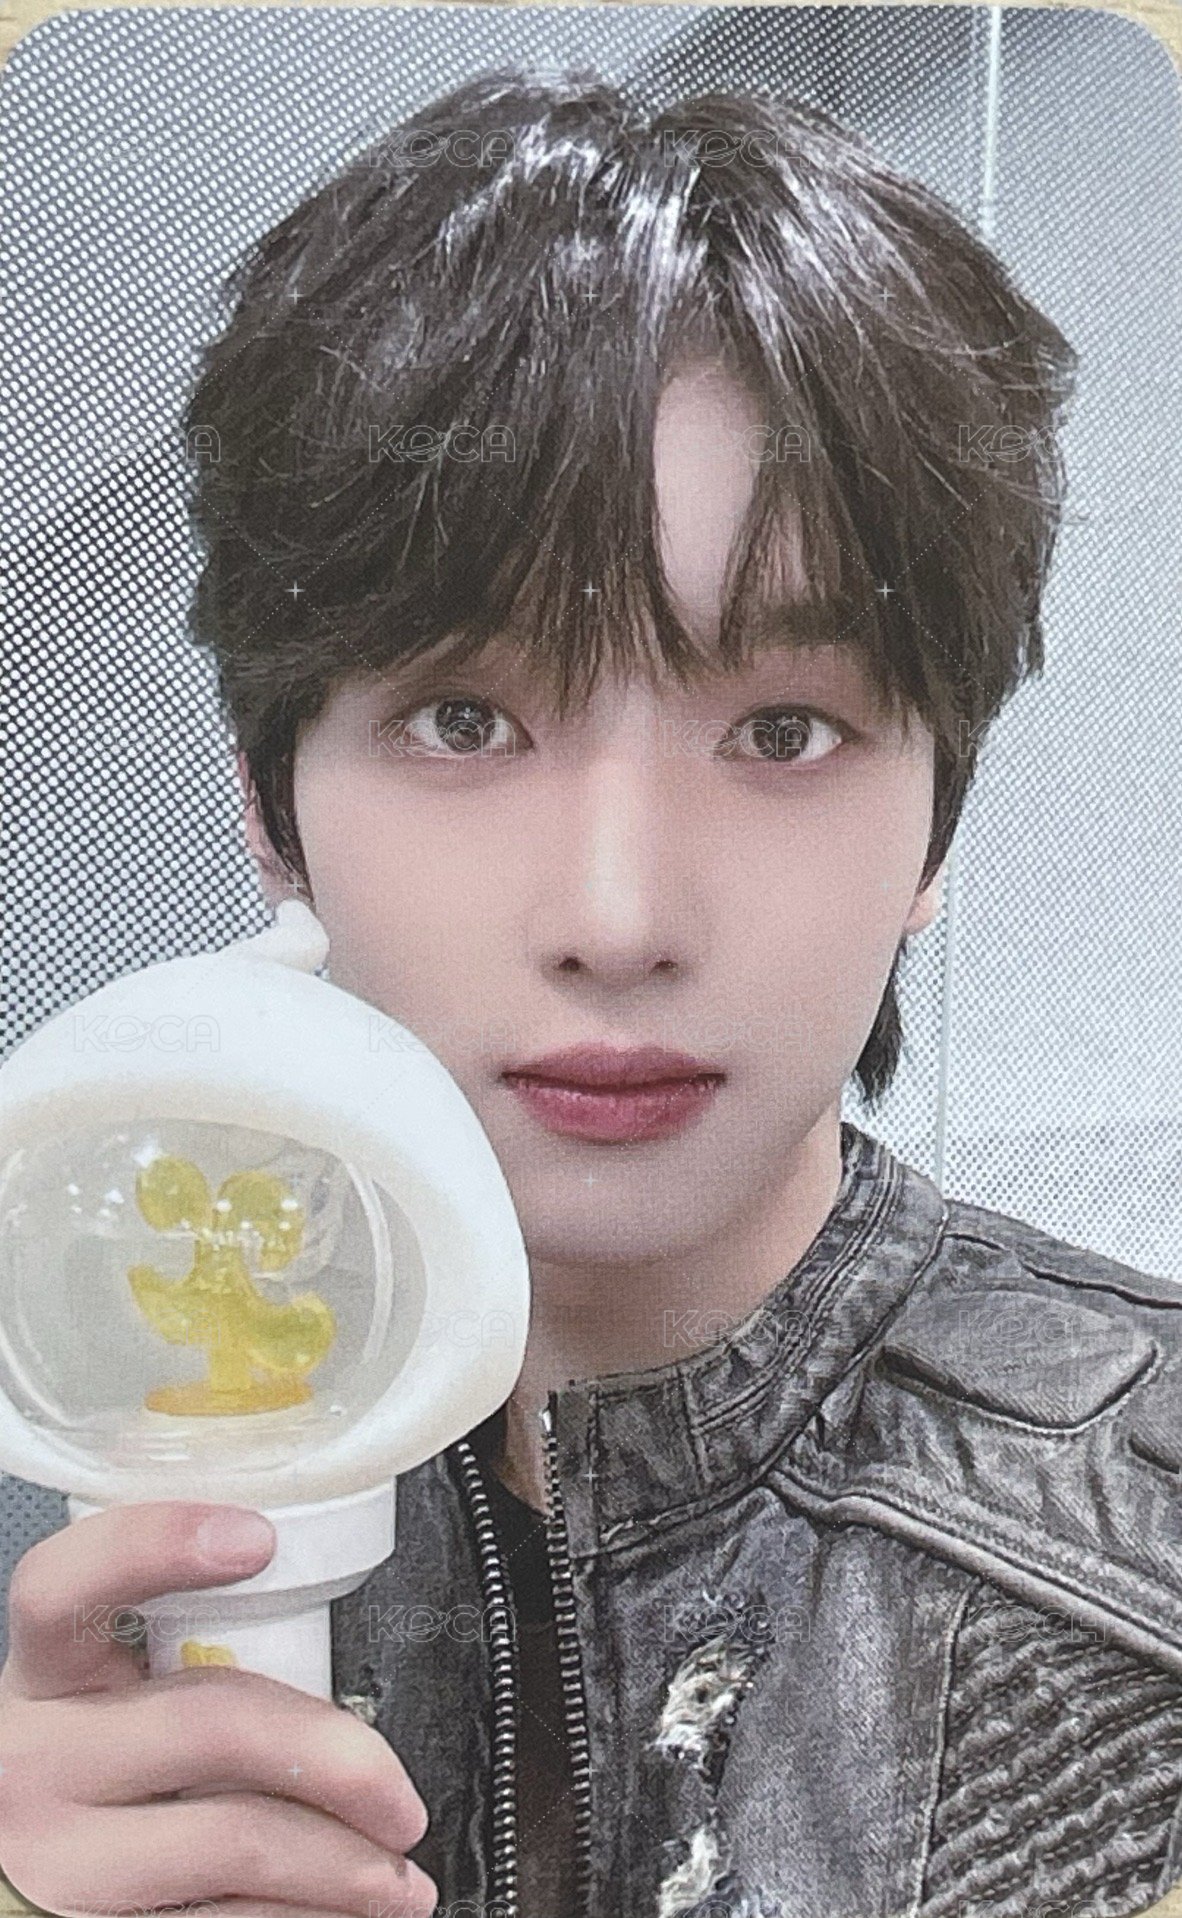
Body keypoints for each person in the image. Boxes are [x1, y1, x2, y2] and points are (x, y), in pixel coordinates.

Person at [4, 66, 1182, 1918]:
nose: (618, 917)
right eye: (464, 720)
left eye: (781, 729)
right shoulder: (94, 1513)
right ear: (273, 810)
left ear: (934, 823)